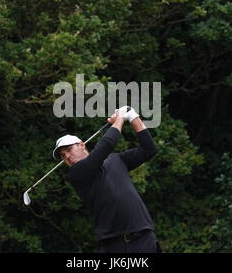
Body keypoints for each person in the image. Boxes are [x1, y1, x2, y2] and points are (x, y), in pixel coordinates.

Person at [52, 106, 159, 253]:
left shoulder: (116, 159)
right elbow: (106, 145)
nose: (67, 157)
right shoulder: (76, 174)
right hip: (113, 245)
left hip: (143, 238)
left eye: (69, 150)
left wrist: (133, 117)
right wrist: (120, 118)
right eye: (63, 156)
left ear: (82, 145)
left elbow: (149, 149)